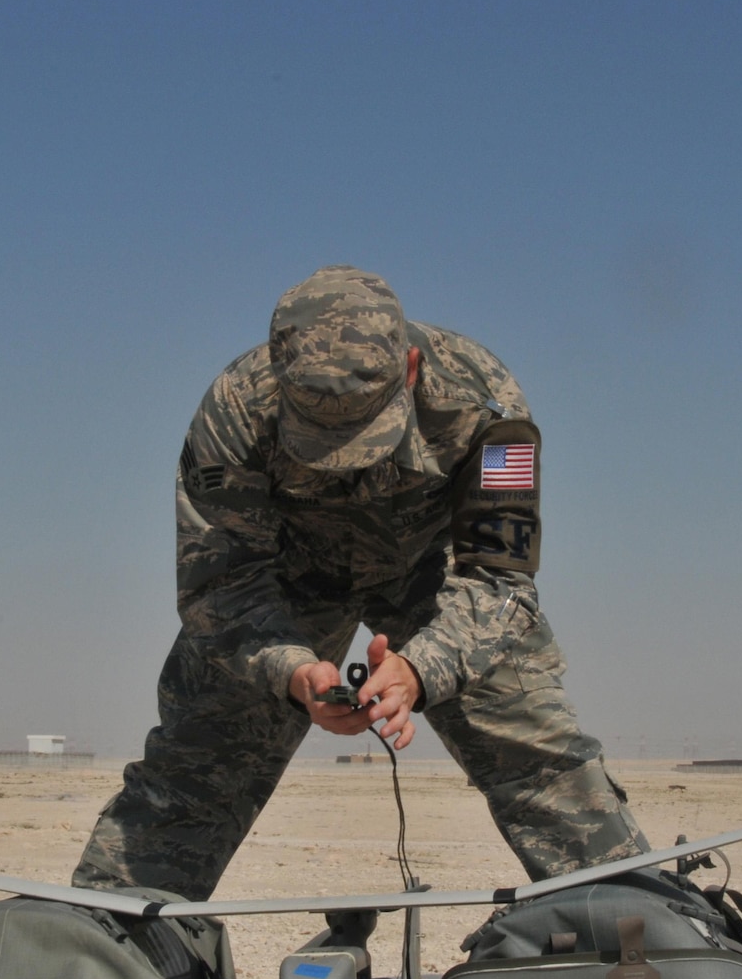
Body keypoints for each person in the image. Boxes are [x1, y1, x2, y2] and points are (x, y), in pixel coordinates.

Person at [73, 265, 650, 900]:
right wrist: (292, 671)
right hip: (287, 579)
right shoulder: (234, 413)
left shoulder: (485, 403)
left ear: (409, 368)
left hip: (435, 576)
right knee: (201, 761)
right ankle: (105, 944)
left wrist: (423, 667)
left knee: (533, 750)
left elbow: (499, 578)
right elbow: (221, 583)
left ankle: (636, 930)